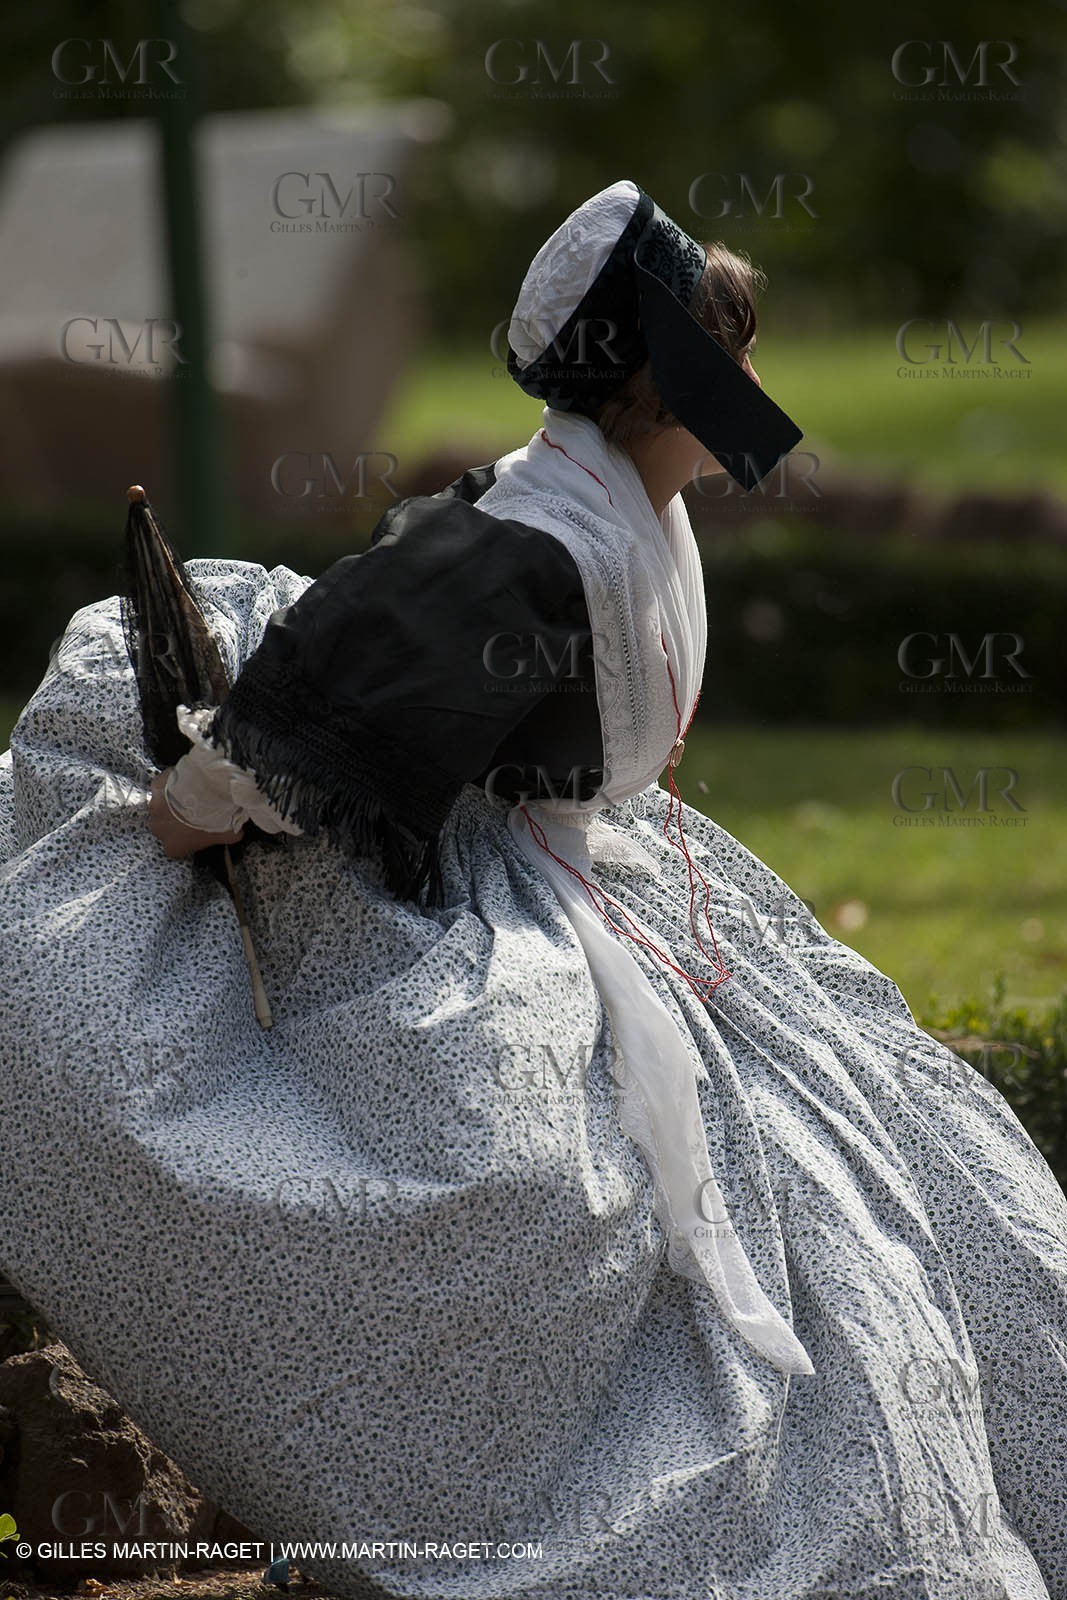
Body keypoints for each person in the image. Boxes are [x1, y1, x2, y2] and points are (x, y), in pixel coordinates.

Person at [1, 179, 1066, 1600]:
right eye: (726, 355)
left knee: (875, 1157)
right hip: (484, 913)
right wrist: (190, 814)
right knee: (532, 1181)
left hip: (602, 884)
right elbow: (266, 760)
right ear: (660, 375)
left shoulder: (624, 500)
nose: (749, 385)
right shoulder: (512, 551)